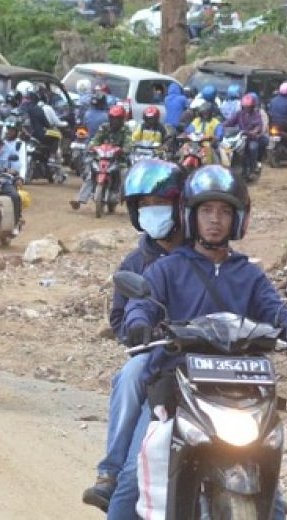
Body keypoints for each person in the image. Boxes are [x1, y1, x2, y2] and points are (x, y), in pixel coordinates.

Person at [110, 166, 287, 520]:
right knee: (132, 477)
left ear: (238, 219)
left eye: (224, 211)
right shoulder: (167, 269)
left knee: (272, 492)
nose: (215, 220)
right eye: (206, 210)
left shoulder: (248, 273)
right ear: (190, 216)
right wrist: (139, 323)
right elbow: (141, 304)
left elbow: (275, 309)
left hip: (241, 388)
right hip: (177, 385)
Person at [81, 160, 185, 510]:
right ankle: (109, 472)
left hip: (208, 356)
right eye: (144, 206)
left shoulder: (205, 256)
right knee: (129, 376)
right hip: (157, 355)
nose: (152, 212)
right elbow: (120, 315)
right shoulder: (136, 262)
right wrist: (140, 329)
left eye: (160, 204)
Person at [72, 104, 131, 211]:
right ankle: (79, 199)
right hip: (102, 158)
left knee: (125, 174)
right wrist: (92, 146)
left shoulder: (126, 130)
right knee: (90, 173)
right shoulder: (104, 127)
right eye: (113, 119)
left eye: (117, 119)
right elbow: (96, 139)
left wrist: (124, 149)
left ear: (122, 119)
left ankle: (125, 198)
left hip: (119, 160)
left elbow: (128, 143)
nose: (115, 121)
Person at [223, 93, 267, 168]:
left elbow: (258, 126)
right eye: (245, 107)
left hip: (251, 138)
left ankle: (253, 168)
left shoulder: (256, 115)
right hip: (239, 138)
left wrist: (254, 131)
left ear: (252, 106)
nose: (247, 109)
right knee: (226, 147)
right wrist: (222, 125)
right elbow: (230, 122)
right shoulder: (239, 114)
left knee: (252, 148)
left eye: (248, 107)